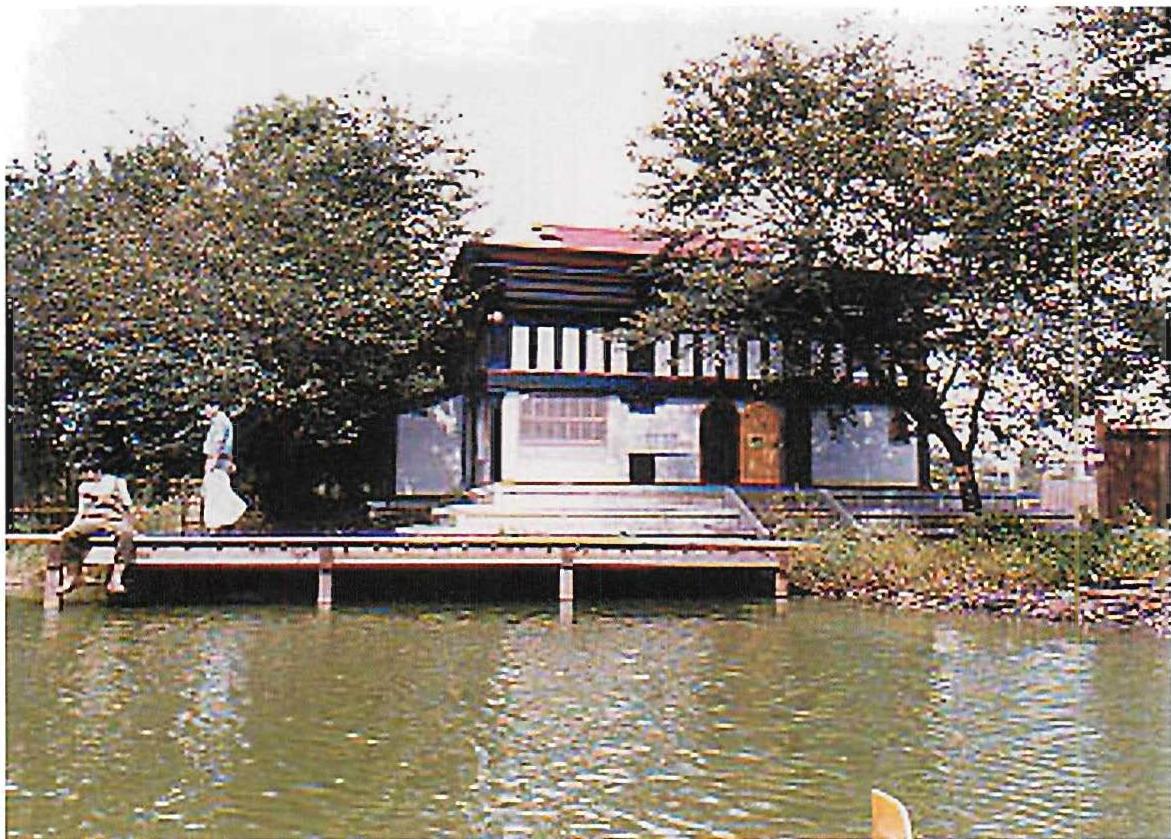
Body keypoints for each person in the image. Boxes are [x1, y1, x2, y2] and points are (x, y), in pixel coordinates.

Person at [57, 457, 137, 595]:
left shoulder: (117, 482)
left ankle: (116, 578)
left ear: (100, 471)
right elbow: (81, 512)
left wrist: (128, 523)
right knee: (69, 536)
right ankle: (72, 576)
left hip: (113, 519)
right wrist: (69, 528)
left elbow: (127, 506)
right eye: (86, 471)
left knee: (126, 536)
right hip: (91, 520)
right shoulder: (83, 487)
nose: (89, 475)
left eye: (92, 471)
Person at [201, 400, 247, 530]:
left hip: (217, 463)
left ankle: (217, 523)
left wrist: (211, 462)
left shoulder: (219, 422)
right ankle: (219, 524)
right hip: (222, 462)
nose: (206, 410)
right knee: (219, 492)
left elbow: (218, 443)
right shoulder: (223, 421)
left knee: (216, 494)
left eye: (208, 406)